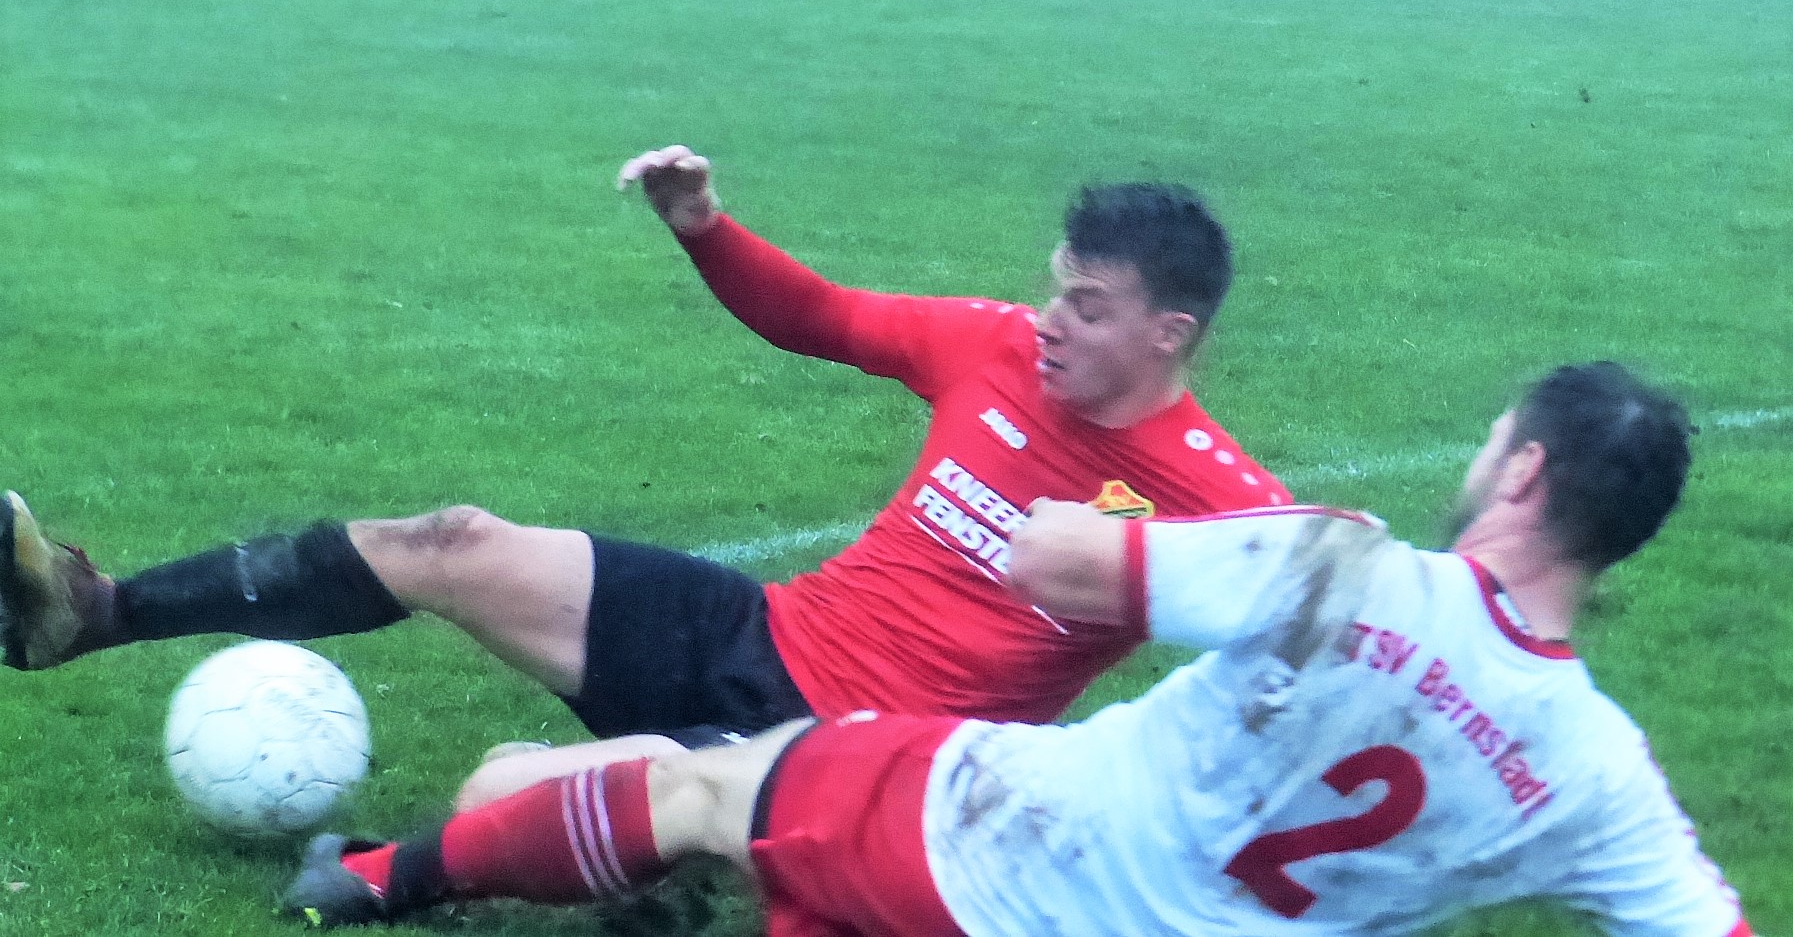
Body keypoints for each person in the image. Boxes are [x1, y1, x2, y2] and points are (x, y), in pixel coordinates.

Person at [0, 145, 1287, 805]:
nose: (1050, 318)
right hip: (761, 629)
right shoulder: (993, 344)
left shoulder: (1220, 495)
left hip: (857, 754)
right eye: (1055, 287)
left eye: (1086, 305)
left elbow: (1339, 633)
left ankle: (613, 854)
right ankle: (90, 615)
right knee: (450, 539)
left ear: (1165, 333)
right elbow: (822, 315)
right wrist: (703, 227)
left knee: (518, 789)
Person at [279, 361, 1753, 936]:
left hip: (1011, 839)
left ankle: (371, 879)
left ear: (1523, 472)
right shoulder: (1596, 769)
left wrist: (1094, 500)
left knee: (715, 786)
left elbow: (1059, 559)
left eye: (1494, 436)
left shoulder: (1345, 562)